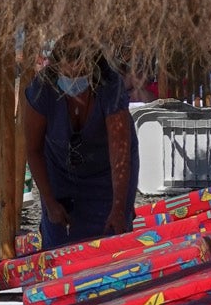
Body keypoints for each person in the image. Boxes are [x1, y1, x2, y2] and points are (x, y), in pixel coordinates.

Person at [23, 41, 135, 248]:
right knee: (58, 235)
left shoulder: (110, 87)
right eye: (68, 75)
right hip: (60, 168)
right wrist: (49, 202)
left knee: (113, 237)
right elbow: (33, 150)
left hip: (108, 170)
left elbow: (120, 153)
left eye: (81, 74)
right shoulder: (41, 90)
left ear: (93, 71)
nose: (74, 80)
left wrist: (119, 208)